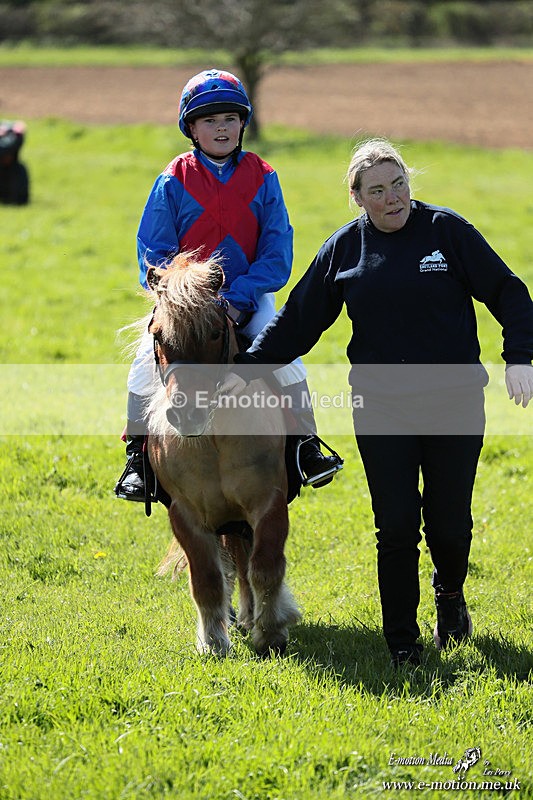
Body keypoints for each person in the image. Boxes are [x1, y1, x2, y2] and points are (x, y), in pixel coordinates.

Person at [223, 138, 533, 667]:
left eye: (399, 185)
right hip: (381, 407)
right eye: (378, 191)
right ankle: (402, 641)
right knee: (394, 526)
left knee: (450, 522)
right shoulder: (345, 250)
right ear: (358, 198)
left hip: (455, 403)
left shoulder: (447, 232)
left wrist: (520, 356)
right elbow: (298, 322)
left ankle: (451, 598)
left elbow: (508, 291)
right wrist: (246, 371)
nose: (393, 198)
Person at [115, 68, 342, 502]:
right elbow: (153, 251)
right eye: (209, 120)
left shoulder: (264, 175)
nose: (220, 127)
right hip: (184, 304)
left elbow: (277, 253)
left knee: (288, 360)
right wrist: (187, 300)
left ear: (243, 123)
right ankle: (138, 460)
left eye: (229, 119)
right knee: (145, 362)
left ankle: (306, 449)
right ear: (191, 128)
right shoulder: (172, 179)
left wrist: (238, 300)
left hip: (250, 298)